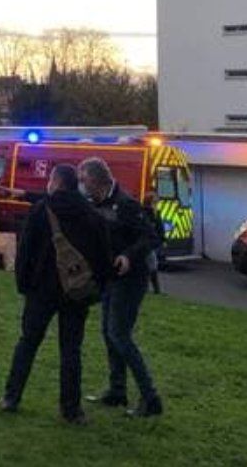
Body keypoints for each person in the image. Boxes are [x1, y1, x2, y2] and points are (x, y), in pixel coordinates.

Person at [1, 164, 111, 425]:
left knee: (28, 343)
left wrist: (23, 284)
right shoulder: (90, 214)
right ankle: (71, 409)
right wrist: (95, 288)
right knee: (71, 350)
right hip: (76, 292)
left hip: (41, 289)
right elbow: (102, 255)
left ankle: (11, 397)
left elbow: (25, 250)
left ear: (56, 182)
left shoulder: (42, 210)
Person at [79, 157, 164, 418]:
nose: (82, 185)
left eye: (84, 180)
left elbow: (151, 237)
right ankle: (117, 390)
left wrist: (128, 256)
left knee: (119, 334)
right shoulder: (95, 203)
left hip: (131, 278)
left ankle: (150, 397)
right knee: (108, 333)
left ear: (96, 180)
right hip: (110, 278)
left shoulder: (125, 204)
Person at [142, 192, 165, 295]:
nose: (156, 204)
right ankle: (155, 290)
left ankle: (149, 289)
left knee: (150, 265)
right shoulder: (145, 213)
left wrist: (162, 239)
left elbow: (160, 228)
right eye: (155, 202)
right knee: (152, 265)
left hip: (153, 243)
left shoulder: (156, 213)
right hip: (146, 243)